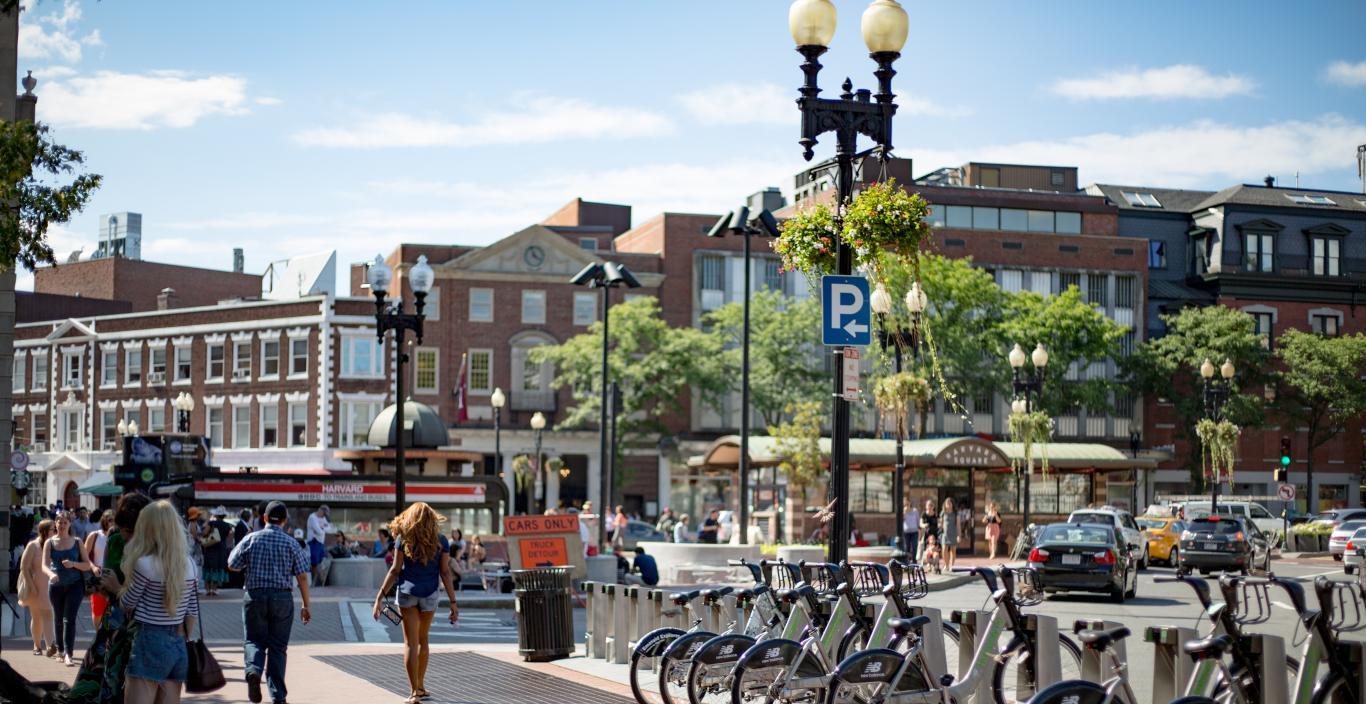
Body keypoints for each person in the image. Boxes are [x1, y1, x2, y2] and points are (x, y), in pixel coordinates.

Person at [372, 502, 458, 704]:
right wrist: (454, 602)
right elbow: (445, 572)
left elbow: (394, 570)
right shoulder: (442, 541)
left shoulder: (403, 539)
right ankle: (420, 686)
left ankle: (413, 692)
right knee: (423, 640)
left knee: (410, 643)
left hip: (407, 594)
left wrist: (379, 598)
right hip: (429, 594)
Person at [228, 500, 312, 704]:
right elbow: (302, 576)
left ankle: (253, 670)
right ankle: (278, 696)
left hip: (255, 596)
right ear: (284, 521)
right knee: (278, 647)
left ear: (264, 518)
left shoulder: (251, 539)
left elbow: (232, 564)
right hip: (282, 598)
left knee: (254, 640)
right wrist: (306, 605)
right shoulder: (291, 543)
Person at [119, 500, 201, 704]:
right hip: (178, 644)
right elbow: (192, 613)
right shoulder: (190, 565)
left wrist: (117, 588)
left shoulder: (144, 564)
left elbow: (127, 604)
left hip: (149, 640)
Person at [44, 510, 95, 666]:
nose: (62, 525)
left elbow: (87, 564)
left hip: (75, 585)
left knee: (69, 620)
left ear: (69, 524)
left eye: (65, 522)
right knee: (58, 619)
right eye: (59, 522)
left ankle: (68, 654)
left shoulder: (78, 541)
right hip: (56, 586)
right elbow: (44, 565)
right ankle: (60, 650)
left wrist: (73, 564)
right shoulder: (50, 542)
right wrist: (51, 574)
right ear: (55, 524)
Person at [18, 519, 56, 656]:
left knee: (48, 614)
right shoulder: (33, 546)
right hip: (35, 585)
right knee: (36, 617)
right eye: (53, 529)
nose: (55, 531)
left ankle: (50, 646)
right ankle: (37, 645)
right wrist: (32, 586)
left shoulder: (54, 544)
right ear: (45, 530)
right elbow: (24, 567)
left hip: (50, 585)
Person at [85, 512, 116, 627]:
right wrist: (92, 567)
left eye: (114, 520)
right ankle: (98, 636)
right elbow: (84, 556)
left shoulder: (119, 536)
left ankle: (107, 638)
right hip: (97, 577)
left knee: (111, 610)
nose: (112, 523)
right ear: (104, 521)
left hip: (113, 577)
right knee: (97, 611)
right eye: (109, 520)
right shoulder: (95, 535)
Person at [203, 506, 234, 596]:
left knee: (209, 567)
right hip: (221, 549)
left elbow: (205, 533)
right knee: (218, 568)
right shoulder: (227, 525)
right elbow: (230, 536)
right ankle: (214, 589)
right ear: (224, 515)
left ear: (216, 515)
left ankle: (208, 589)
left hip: (211, 548)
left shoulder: (211, 523)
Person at [306, 505, 332, 587]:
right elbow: (318, 531)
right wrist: (323, 528)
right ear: (320, 510)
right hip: (313, 542)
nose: (324, 516)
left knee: (321, 562)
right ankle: (313, 583)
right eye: (324, 514)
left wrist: (322, 528)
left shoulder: (323, 518)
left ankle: (318, 582)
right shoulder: (312, 517)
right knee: (314, 563)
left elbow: (330, 528)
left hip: (320, 543)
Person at [941, 497, 959, 573]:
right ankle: (946, 565)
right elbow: (941, 524)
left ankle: (952, 565)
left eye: (950, 503)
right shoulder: (943, 513)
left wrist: (959, 535)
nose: (948, 504)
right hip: (945, 534)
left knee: (953, 551)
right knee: (944, 550)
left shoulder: (955, 513)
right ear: (945, 505)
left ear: (952, 504)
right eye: (947, 503)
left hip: (953, 534)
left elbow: (958, 525)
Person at [920, 499, 940, 564]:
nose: (930, 506)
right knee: (927, 551)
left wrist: (940, 525)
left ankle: (935, 565)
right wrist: (924, 525)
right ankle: (928, 564)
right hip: (927, 535)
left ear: (933, 506)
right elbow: (920, 524)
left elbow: (939, 523)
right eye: (928, 505)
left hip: (935, 535)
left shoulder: (936, 515)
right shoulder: (924, 514)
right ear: (926, 506)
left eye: (931, 505)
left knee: (935, 551)